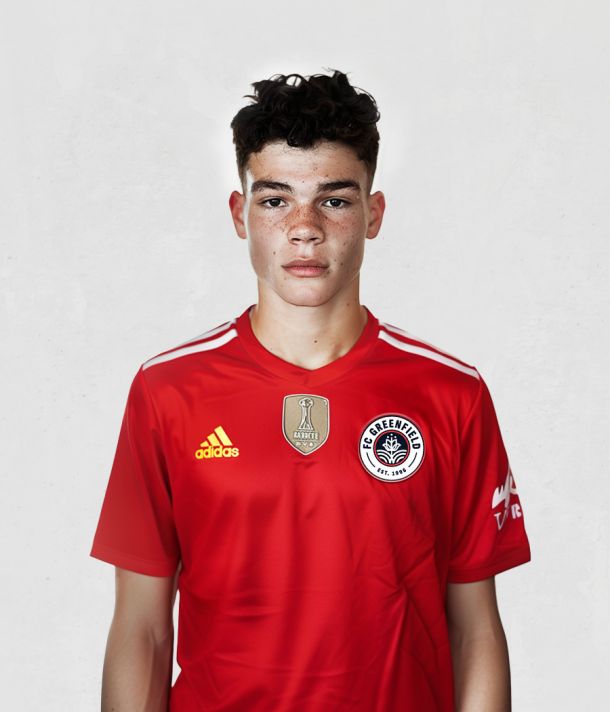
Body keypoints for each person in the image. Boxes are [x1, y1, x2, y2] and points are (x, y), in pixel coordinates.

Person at [90, 69, 532, 712]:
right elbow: (142, 629)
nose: (305, 228)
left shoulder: (450, 393)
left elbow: (475, 631)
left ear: (373, 214)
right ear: (240, 215)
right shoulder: (168, 390)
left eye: (334, 201)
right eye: (275, 201)